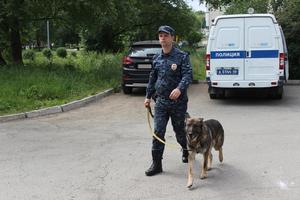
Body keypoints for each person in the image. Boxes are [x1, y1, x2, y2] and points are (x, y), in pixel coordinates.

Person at [144, 25, 193, 176]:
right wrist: (147, 96)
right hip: (161, 102)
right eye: (160, 36)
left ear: (172, 37)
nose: (163, 38)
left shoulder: (182, 56)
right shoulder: (157, 58)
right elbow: (153, 78)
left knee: (179, 131)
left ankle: (186, 151)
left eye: (165, 35)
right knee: (158, 132)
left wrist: (179, 88)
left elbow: (188, 75)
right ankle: (157, 164)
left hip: (178, 103)